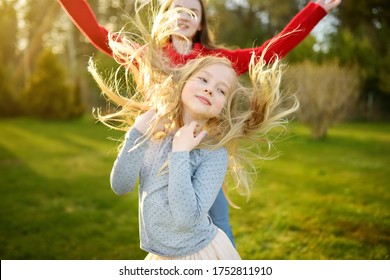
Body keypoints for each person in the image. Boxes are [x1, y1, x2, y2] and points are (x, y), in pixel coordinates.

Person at [58, 0, 341, 246]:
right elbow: (98, 33)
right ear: (164, 14)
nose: (183, 14)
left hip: (201, 155)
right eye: (176, 8)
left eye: (192, 10)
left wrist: (315, 10)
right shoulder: (148, 55)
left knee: (218, 223)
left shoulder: (215, 61)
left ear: (201, 23)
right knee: (165, 229)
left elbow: (268, 52)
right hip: (159, 157)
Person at [88, 8, 299, 258]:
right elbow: (121, 186)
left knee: (219, 217)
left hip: (200, 254)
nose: (210, 90)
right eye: (203, 80)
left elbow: (187, 218)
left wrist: (180, 152)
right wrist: (137, 132)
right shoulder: (153, 64)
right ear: (184, 80)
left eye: (221, 91)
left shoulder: (213, 152)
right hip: (160, 255)